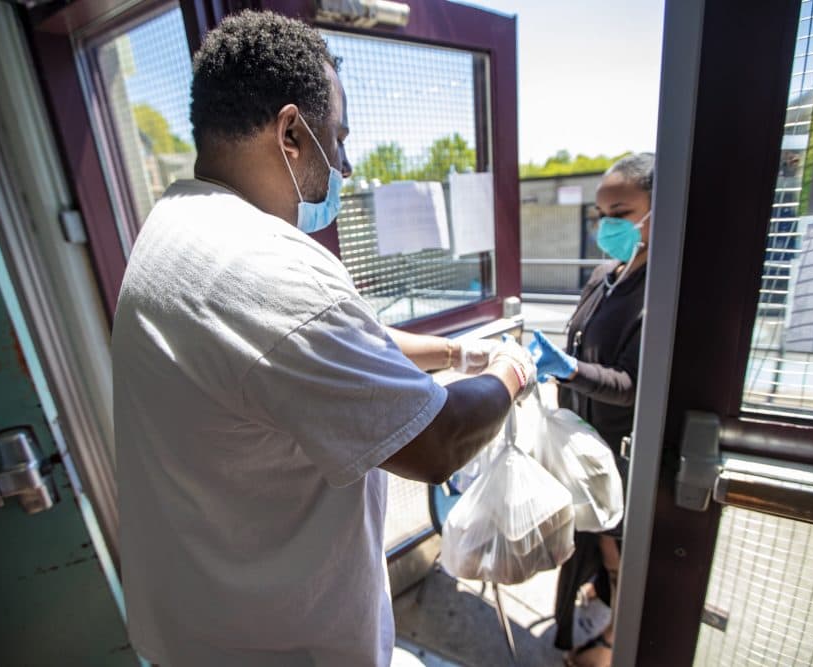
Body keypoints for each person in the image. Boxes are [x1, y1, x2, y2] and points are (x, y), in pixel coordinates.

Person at [111, 11, 536, 667]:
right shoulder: (269, 268)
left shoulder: (181, 228)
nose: (343, 162)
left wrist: (455, 352)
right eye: (337, 138)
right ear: (291, 134)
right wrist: (510, 369)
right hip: (283, 649)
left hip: (198, 628)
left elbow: (328, 344)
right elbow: (438, 441)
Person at [529, 153, 654, 667]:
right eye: (601, 214)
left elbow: (630, 385)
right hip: (582, 447)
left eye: (621, 213)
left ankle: (611, 647)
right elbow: (580, 342)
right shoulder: (605, 276)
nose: (608, 226)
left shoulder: (661, 293)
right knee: (591, 544)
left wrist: (570, 370)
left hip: (620, 456)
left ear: (658, 210)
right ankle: (599, 612)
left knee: (617, 549)